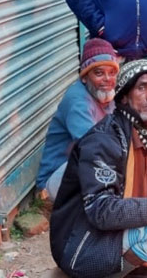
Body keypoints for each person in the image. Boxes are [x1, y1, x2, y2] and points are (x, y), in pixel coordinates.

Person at [50, 59, 147, 278]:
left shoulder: (142, 133)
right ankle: (120, 270)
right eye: (142, 87)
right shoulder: (104, 141)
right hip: (83, 247)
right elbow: (101, 211)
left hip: (110, 226)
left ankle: (130, 254)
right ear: (124, 96)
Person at [36, 38, 119, 202]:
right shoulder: (78, 102)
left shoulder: (107, 95)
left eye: (112, 73)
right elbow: (92, 146)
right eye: (99, 73)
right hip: (55, 179)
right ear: (84, 77)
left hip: (78, 169)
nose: (107, 79)